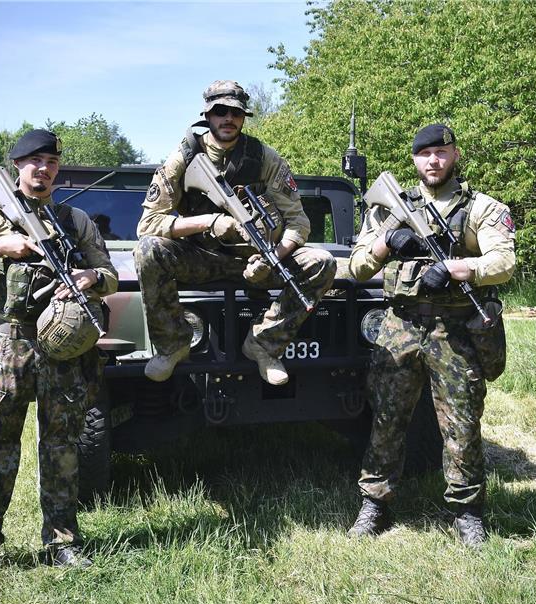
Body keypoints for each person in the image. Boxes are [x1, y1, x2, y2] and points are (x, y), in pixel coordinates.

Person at [0, 129, 119, 583]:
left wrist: (89, 278)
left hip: (63, 345)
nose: (43, 169)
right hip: (10, 343)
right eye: (34, 160)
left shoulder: (74, 219)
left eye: (51, 162)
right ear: (17, 165)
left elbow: (112, 275)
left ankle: (62, 543)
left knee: (61, 448)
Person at [346, 124, 516, 547]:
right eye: (424, 154)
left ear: (455, 154)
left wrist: (460, 268)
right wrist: (388, 240)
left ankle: (467, 512)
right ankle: (375, 504)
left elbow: (504, 260)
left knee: (461, 425)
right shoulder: (389, 207)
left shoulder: (481, 208)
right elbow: (357, 267)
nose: (433, 161)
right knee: (385, 419)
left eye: (441, 152)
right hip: (400, 327)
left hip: (455, 331)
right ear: (414, 160)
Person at [134, 80, 336, 385]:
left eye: (236, 113)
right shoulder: (184, 157)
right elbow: (147, 225)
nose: (228, 118)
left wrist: (273, 257)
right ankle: (173, 344)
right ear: (207, 116)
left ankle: (264, 344)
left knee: (322, 262)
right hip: (201, 258)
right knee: (148, 249)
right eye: (220, 111)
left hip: (256, 261)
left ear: (243, 117)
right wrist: (210, 222)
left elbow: (299, 223)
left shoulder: (265, 157)